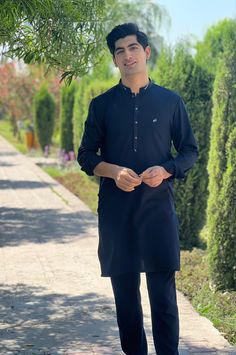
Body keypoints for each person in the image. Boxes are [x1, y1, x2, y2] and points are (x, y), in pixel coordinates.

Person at [77, 23, 198, 355]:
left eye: (133, 48)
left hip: (158, 211)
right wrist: (114, 172)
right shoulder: (101, 105)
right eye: (119, 51)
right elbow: (85, 156)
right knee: (126, 304)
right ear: (115, 60)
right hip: (117, 214)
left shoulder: (170, 102)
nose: (127, 55)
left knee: (163, 301)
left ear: (145, 52)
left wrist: (167, 169)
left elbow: (189, 151)